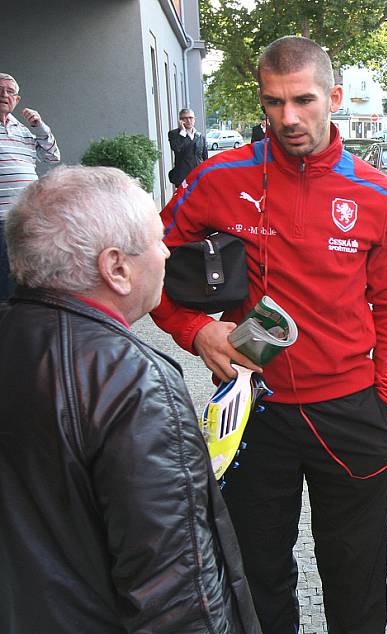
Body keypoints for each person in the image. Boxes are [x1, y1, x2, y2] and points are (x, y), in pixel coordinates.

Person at [151, 36, 387, 633]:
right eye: (274, 102)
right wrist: (195, 331)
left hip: (350, 412)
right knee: (256, 577)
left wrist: (385, 399)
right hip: (253, 413)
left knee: (356, 576)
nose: (288, 118)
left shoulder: (374, 192)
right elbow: (147, 268)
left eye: (303, 100)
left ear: (334, 98)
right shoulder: (219, 178)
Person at [0, 165, 260, 633]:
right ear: (116, 268)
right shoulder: (135, 385)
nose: (166, 253)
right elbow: (176, 593)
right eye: (158, 240)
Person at [0, 72, 60, 301]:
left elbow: (53, 157)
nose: (4, 95)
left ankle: (26, 318)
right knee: (6, 279)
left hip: (28, 215)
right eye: (0, 89)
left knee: (30, 271)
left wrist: (40, 126)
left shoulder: (24, 131)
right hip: (2, 217)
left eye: (10, 91)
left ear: (17, 99)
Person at [168, 107, 208, 186]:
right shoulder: (174, 134)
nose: (188, 120)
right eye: (185, 118)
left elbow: (205, 158)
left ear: (194, 119)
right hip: (183, 178)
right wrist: (182, 132)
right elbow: (176, 148)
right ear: (180, 120)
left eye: (190, 118)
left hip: (199, 176)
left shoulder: (200, 136)